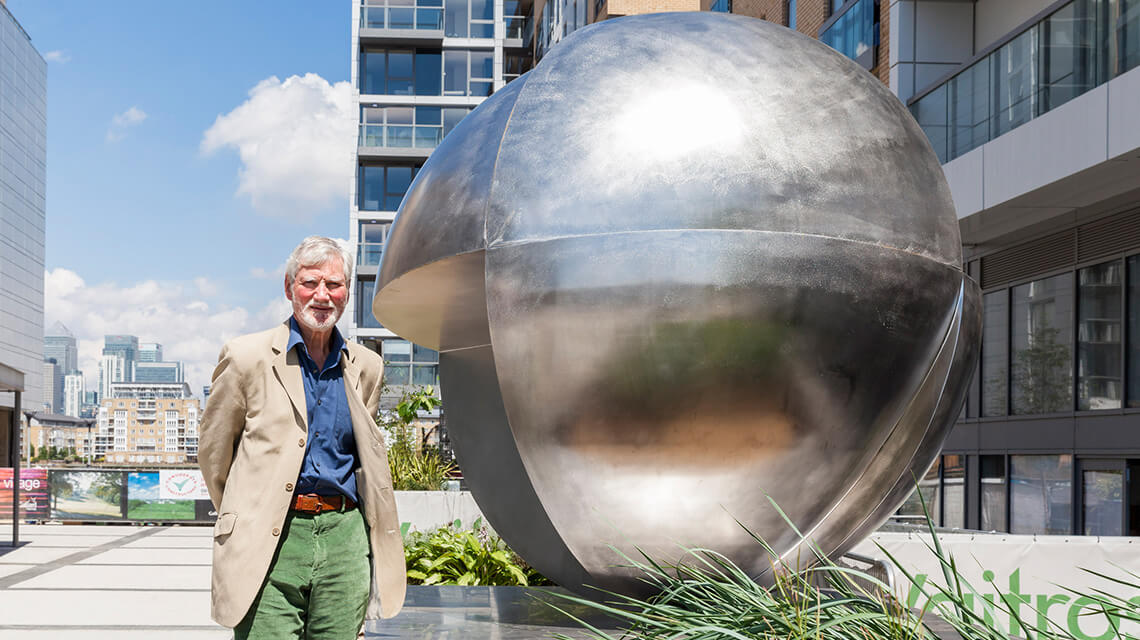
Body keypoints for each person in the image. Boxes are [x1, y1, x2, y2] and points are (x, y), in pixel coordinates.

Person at [199, 236, 405, 639]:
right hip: (271, 540)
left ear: (348, 292)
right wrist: (248, 511)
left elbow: (362, 461)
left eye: (335, 284)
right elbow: (214, 455)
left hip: (344, 540)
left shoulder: (367, 367)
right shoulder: (246, 357)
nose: (322, 295)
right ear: (289, 286)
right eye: (311, 283)